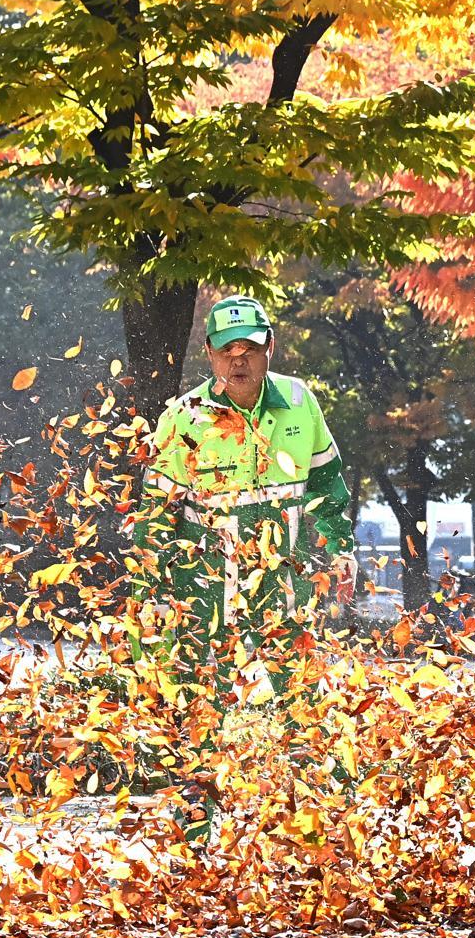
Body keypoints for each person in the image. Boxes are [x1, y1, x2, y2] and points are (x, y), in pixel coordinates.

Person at [127, 295, 356, 834]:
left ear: (269, 349)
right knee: (200, 709)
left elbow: (327, 485)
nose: (239, 361)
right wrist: (151, 590)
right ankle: (193, 832)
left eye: (249, 349)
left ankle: (319, 830)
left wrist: (339, 546)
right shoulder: (183, 417)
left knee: (302, 699)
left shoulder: (300, 402)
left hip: (283, 581)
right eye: (227, 350)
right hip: (204, 583)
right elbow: (156, 513)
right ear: (207, 354)